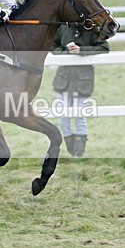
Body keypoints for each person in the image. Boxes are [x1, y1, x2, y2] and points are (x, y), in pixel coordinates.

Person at [50, 25, 109, 157]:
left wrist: (81, 50)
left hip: (83, 80)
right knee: (62, 115)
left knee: (79, 115)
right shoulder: (63, 27)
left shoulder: (93, 29)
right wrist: (66, 53)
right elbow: (53, 45)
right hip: (63, 78)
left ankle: (79, 151)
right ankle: (71, 146)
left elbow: (104, 47)